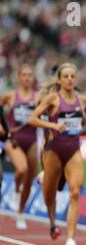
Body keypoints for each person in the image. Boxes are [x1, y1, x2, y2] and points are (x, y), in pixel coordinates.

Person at [28, 62, 86, 245]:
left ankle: (71, 239)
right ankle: (53, 222)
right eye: (66, 76)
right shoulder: (51, 99)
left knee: (75, 192)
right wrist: (53, 126)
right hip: (53, 150)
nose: (70, 79)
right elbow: (33, 119)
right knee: (49, 195)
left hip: (73, 150)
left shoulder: (83, 100)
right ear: (59, 80)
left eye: (73, 76)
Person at [0, 64, 40, 230]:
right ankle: (16, 190)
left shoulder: (38, 97)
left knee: (29, 180)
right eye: (24, 74)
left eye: (30, 74)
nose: (27, 77)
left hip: (31, 139)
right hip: (13, 139)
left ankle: (20, 212)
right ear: (19, 77)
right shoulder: (10, 96)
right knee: (21, 169)